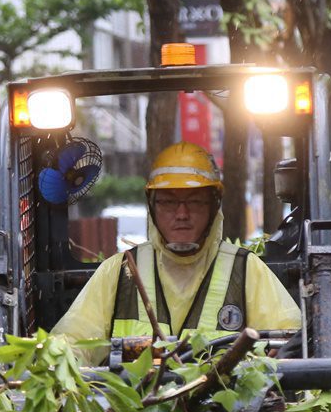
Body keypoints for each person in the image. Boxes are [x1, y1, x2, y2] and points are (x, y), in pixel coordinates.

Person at [53, 142, 302, 353]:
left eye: (194, 202)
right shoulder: (118, 272)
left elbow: (290, 346)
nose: (182, 214)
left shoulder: (247, 270)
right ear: (152, 206)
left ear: (214, 206)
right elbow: (71, 346)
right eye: (169, 202)